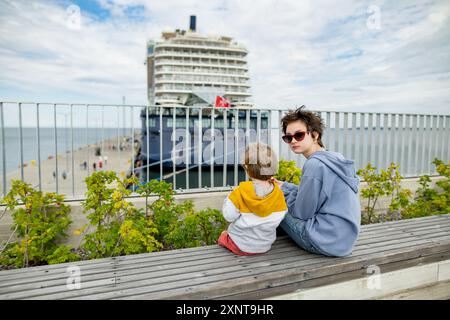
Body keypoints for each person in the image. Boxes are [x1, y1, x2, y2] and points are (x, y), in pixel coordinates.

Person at [272, 106, 361, 257]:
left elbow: (302, 213)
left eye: (299, 135)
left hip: (324, 241)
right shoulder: (335, 158)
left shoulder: (314, 165)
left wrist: (279, 193)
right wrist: (285, 186)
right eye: (288, 137)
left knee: (273, 204)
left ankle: (253, 245)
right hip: (344, 240)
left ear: (314, 135)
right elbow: (313, 195)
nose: (293, 141)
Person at [218, 142, 287, 256]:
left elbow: (229, 216)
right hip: (265, 245)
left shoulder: (239, 193)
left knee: (224, 235)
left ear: (246, 167)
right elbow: (281, 215)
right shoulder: (278, 194)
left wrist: (229, 199)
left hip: (240, 245)